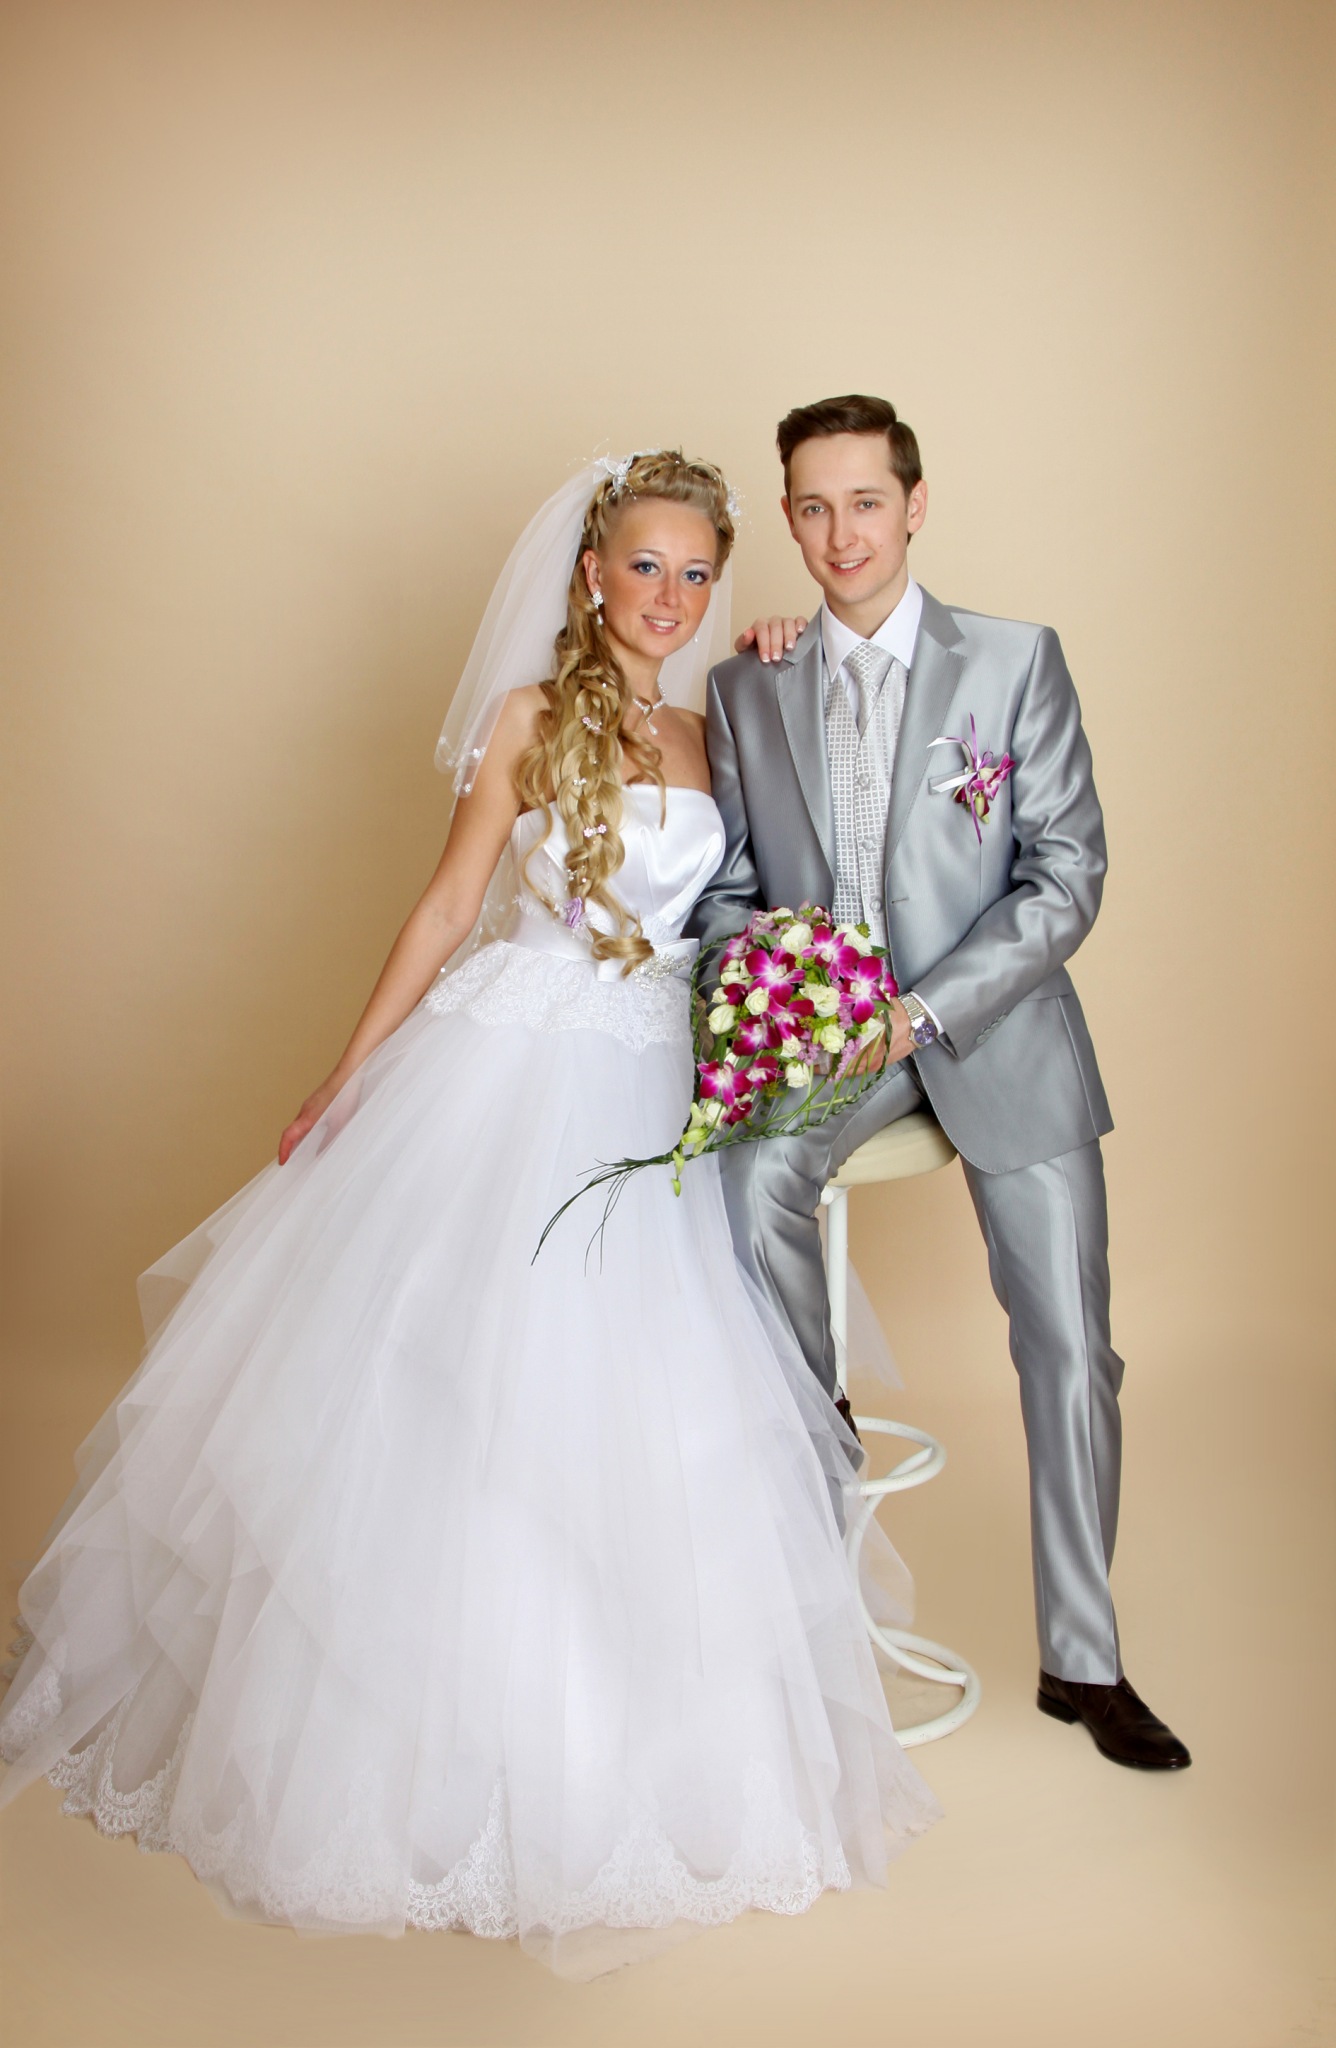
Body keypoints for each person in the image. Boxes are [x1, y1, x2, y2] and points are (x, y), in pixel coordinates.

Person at [0, 450, 939, 1977]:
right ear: (590, 575)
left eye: (698, 573)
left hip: (661, 1073)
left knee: (662, 1392)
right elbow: (448, 907)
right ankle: (439, 1736)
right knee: (471, 1376)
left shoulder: (723, 727)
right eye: (645, 566)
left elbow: (787, 870)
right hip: (516, 1058)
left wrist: (785, 658)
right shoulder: (526, 720)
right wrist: (343, 1075)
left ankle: (642, 1746)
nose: (670, 597)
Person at [688, 395, 1190, 1772]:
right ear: (788, 521)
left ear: (914, 505)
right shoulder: (746, 688)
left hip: (996, 1036)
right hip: (835, 1050)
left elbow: (1067, 875)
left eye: (865, 501)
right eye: (813, 506)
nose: (840, 532)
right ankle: (818, 1429)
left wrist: (919, 1015)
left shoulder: (1016, 661)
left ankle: (1083, 1660)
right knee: (751, 1171)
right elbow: (728, 891)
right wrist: (781, 995)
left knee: (1071, 1346)